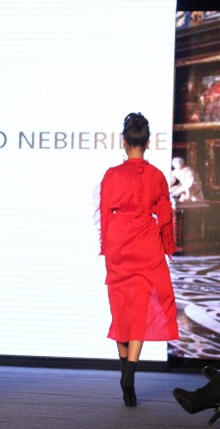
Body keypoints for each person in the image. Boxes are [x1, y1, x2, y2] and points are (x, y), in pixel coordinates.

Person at [98, 113, 178, 407]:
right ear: (148, 142)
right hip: (145, 241)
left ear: (124, 141)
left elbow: (104, 214)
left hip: (119, 242)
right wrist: (167, 246)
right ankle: (129, 375)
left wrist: (108, 248)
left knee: (121, 310)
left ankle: (125, 374)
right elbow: (165, 214)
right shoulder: (156, 176)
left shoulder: (112, 175)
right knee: (140, 311)